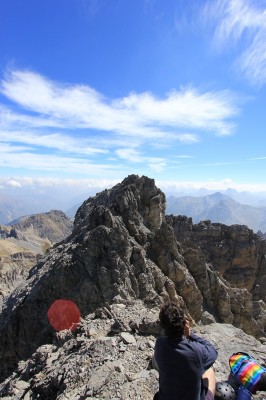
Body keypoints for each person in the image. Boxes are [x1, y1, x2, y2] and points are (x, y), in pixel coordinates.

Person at [154, 301, 218, 400]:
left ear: (163, 326)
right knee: (209, 371)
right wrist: (190, 335)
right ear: (184, 324)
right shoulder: (196, 351)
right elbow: (213, 352)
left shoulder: (160, 344)